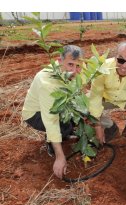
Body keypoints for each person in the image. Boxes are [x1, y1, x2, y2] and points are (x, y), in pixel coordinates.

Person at [22, 45, 83, 179]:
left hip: (55, 107)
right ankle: (52, 144)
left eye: (78, 66)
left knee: (78, 113)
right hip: (35, 114)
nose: (74, 70)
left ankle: (64, 133)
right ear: (59, 61)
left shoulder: (67, 72)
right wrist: (60, 157)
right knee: (63, 125)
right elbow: (51, 120)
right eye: (70, 64)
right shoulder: (48, 82)